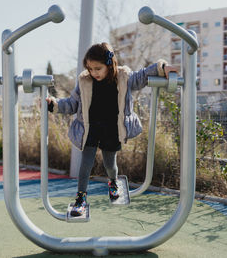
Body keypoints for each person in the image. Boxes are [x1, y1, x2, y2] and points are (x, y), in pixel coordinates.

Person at [46, 42, 177, 217]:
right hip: (90, 128)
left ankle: (113, 182)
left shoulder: (124, 77)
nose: (94, 73)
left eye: (98, 68)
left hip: (112, 129)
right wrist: (54, 104)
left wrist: (163, 67)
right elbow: (71, 103)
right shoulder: (84, 81)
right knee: (85, 164)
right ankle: (81, 199)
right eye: (90, 69)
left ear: (109, 64)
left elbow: (144, 76)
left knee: (110, 164)